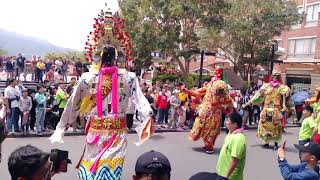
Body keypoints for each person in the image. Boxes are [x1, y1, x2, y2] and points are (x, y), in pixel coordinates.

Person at [49, 44, 154, 179]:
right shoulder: (90, 77)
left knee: (108, 170)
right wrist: (148, 113)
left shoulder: (127, 77)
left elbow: (73, 103)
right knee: (101, 170)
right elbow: (73, 103)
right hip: (104, 132)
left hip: (113, 133)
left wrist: (62, 125)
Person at [182, 66, 234, 154]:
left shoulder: (214, 84)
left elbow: (199, 92)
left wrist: (187, 91)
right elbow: (226, 97)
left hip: (207, 110)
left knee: (207, 127)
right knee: (210, 128)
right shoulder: (217, 84)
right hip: (211, 110)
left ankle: (208, 144)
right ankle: (208, 144)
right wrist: (229, 106)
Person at [242, 69, 290, 149]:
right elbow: (256, 96)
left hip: (276, 109)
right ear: (271, 76)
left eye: (277, 76)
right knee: (264, 125)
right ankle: (266, 142)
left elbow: (284, 97)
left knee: (276, 126)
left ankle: (275, 143)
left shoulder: (281, 87)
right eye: (274, 76)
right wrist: (248, 103)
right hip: (266, 109)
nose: (275, 77)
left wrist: (284, 106)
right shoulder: (266, 86)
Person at [216, 112, 246, 180]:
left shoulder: (238, 138)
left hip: (231, 176)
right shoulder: (231, 133)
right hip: (222, 173)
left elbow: (234, 161)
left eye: (228, 121)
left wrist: (226, 177)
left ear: (235, 124)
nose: (226, 122)